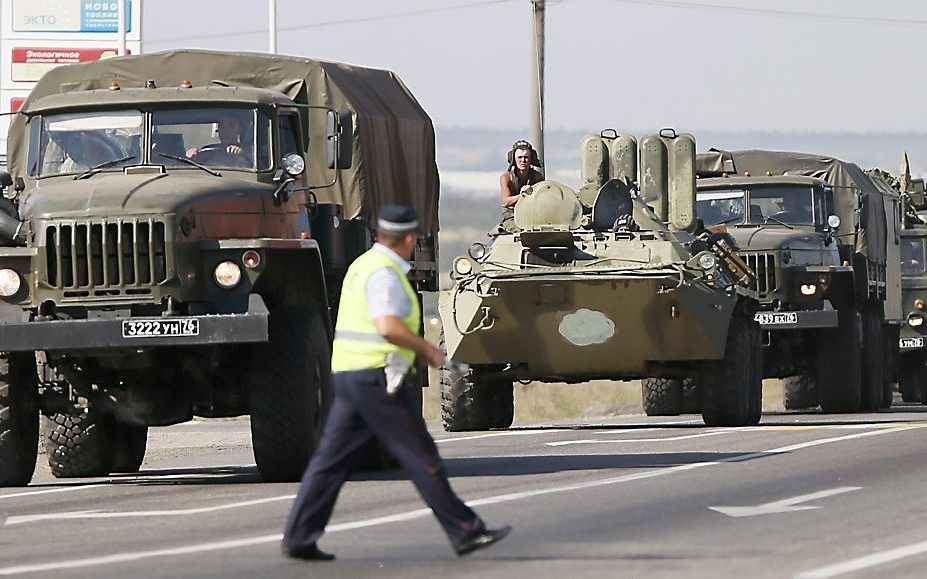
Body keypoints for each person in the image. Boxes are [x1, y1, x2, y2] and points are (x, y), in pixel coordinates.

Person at [282, 205, 511, 561]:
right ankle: (465, 531)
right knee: (422, 457)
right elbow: (387, 325)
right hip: (377, 379)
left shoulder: (363, 265)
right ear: (408, 238)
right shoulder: (386, 274)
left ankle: (299, 537)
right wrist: (428, 352)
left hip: (350, 376)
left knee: (330, 462)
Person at [498, 140, 544, 233]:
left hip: (532, 214)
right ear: (513, 159)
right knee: (523, 232)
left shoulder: (537, 177)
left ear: (531, 159)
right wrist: (522, 195)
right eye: (520, 157)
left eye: (526, 157)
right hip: (512, 216)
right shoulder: (506, 178)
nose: (523, 160)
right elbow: (506, 201)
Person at [185, 114, 250, 166]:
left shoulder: (249, 152)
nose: (225, 130)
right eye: (221, 126)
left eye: (231, 125)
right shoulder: (207, 152)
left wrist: (241, 154)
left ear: (240, 129)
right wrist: (191, 156)